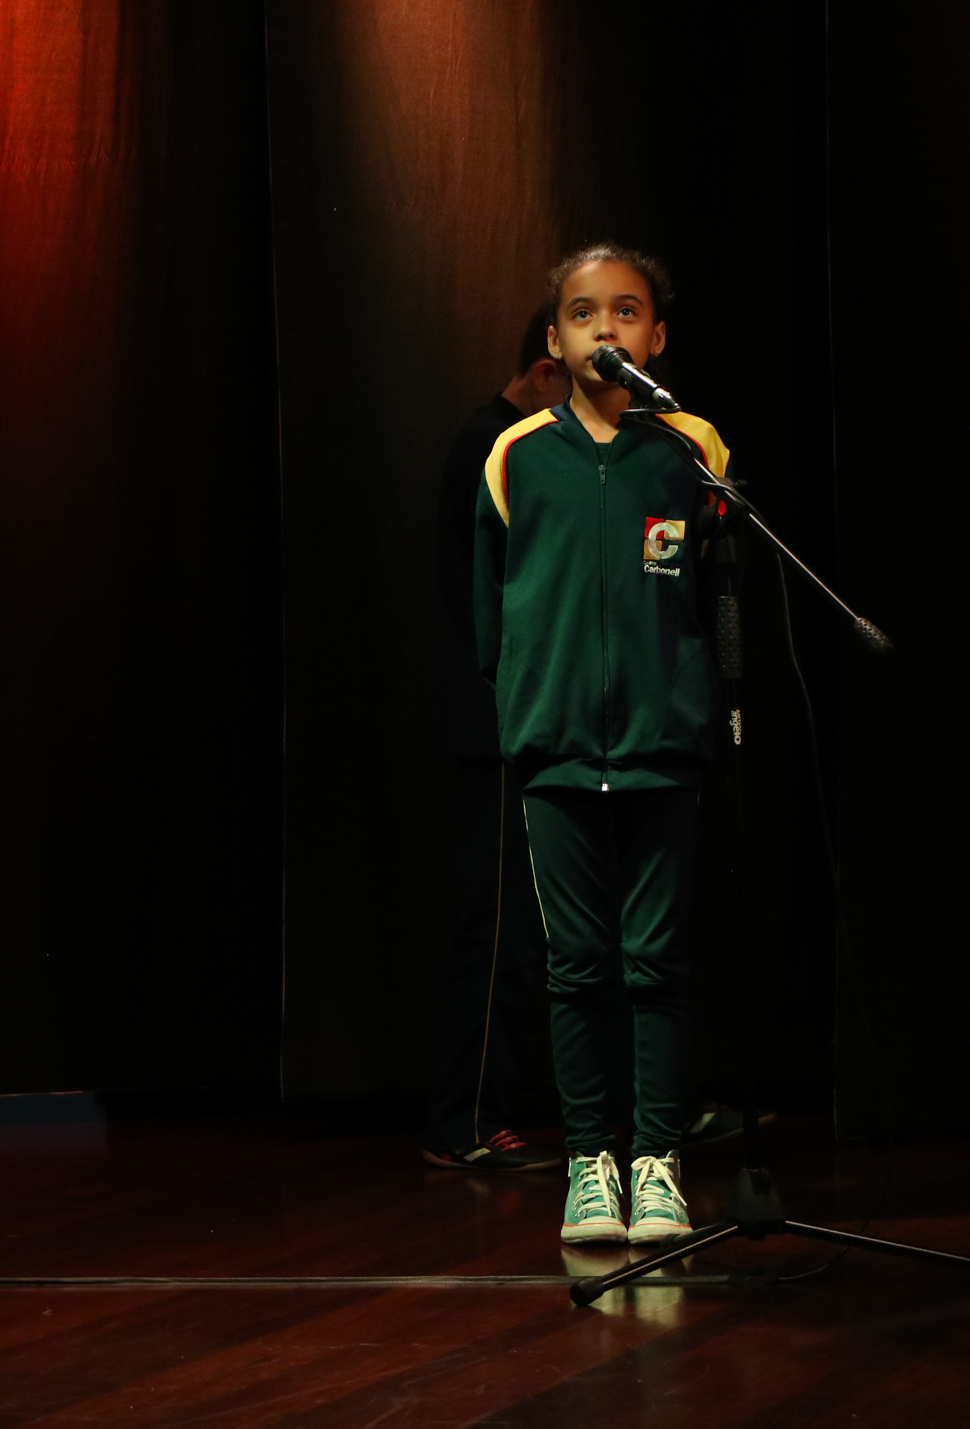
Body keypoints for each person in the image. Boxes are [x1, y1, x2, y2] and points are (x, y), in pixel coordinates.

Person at [473, 243, 736, 1243]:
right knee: (577, 964)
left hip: (663, 743)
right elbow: (488, 608)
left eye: (625, 312)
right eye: (583, 314)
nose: (605, 329)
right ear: (554, 338)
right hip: (556, 748)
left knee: (655, 961)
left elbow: (715, 590)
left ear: (655, 336)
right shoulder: (516, 455)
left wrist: (696, 703)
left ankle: (657, 1159)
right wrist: (527, 710)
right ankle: (591, 1161)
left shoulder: (690, 448)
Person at [422, 309, 573, 1173]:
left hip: (534, 721)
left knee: (542, 929)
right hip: (502, 724)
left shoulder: (513, 445)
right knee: (504, 928)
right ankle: (465, 1119)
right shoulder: (497, 447)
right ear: (546, 370)